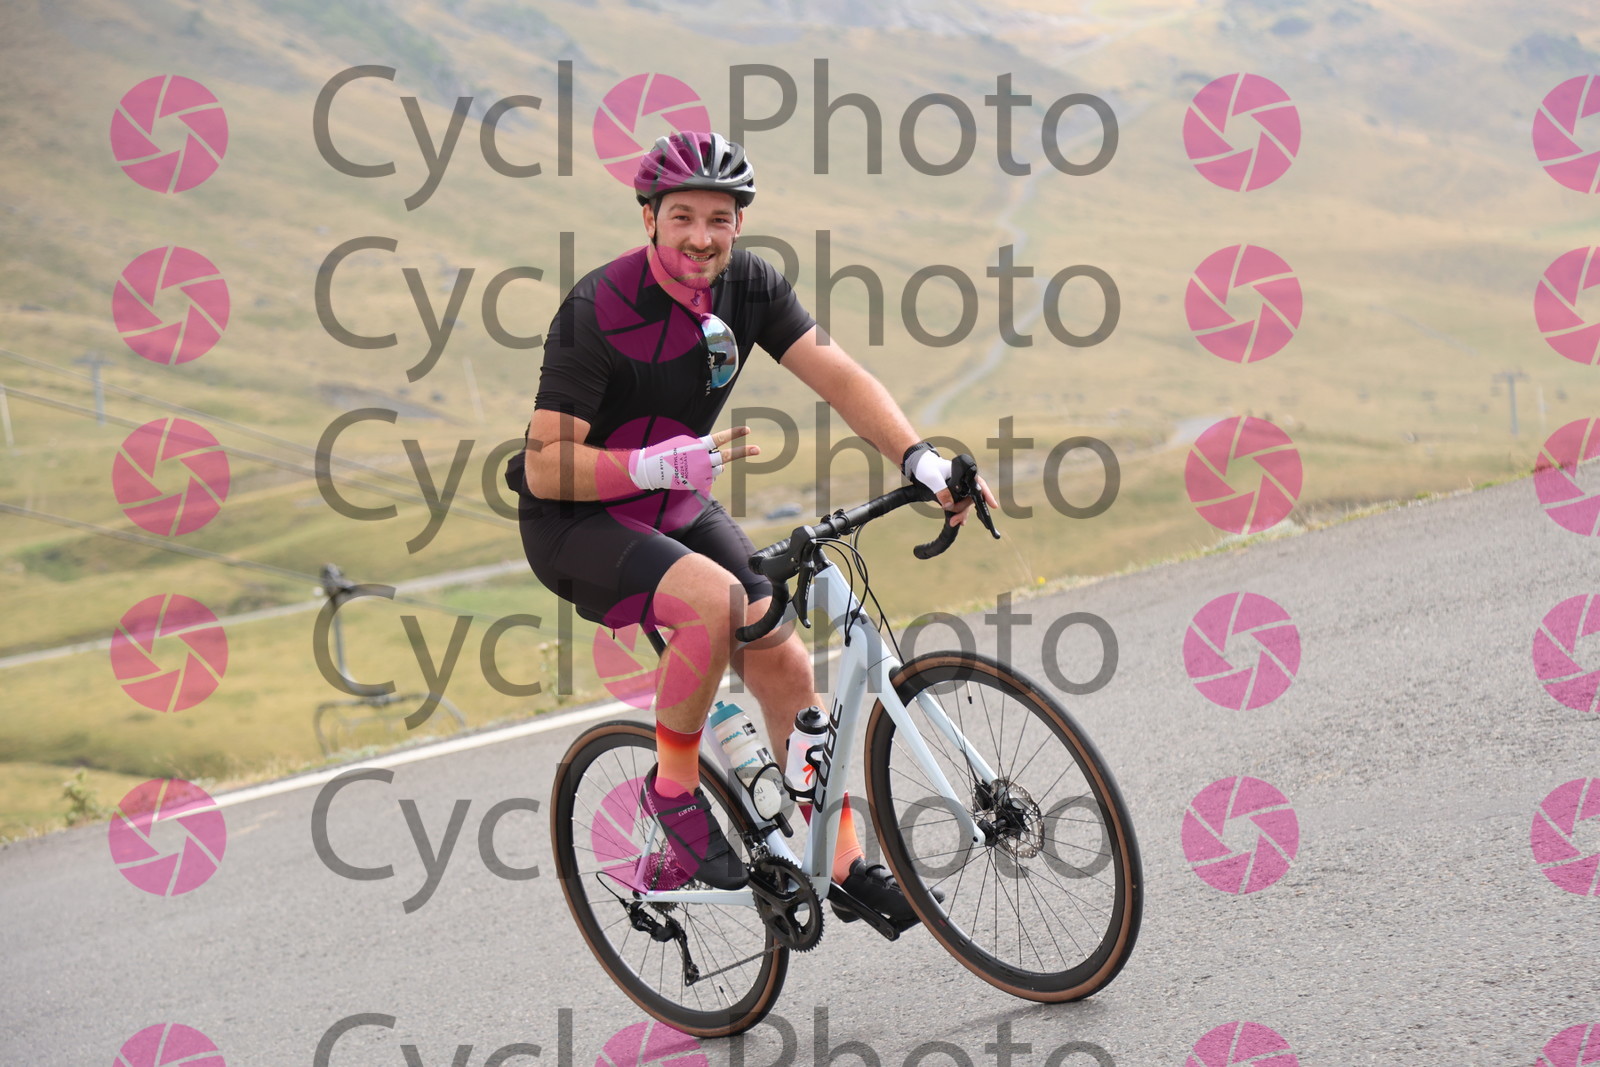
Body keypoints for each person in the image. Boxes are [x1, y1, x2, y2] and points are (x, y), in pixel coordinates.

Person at [508, 131, 994, 926]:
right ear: (649, 218)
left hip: (672, 502)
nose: (702, 237)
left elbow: (839, 375)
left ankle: (842, 865)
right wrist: (650, 464)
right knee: (712, 601)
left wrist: (920, 458)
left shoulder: (750, 285)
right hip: (575, 522)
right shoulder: (596, 310)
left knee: (784, 657)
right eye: (683, 217)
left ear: (739, 223)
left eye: (720, 218)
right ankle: (672, 794)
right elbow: (543, 465)